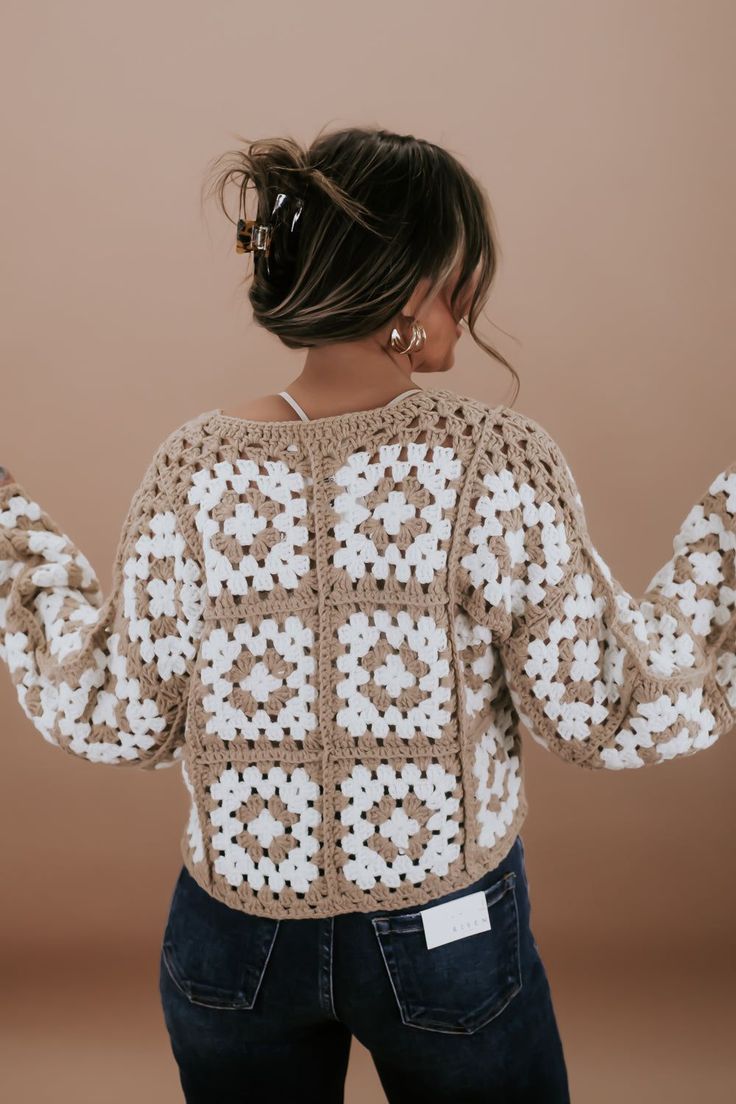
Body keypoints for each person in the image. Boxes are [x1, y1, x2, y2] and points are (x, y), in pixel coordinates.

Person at [1, 125, 733, 1104]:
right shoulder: (491, 460)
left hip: (231, 941)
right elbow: (597, 707)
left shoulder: (192, 469)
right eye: (459, 277)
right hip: (445, 936)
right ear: (409, 286)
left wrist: (13, 536)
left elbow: (122, 713)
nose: (470, 304)